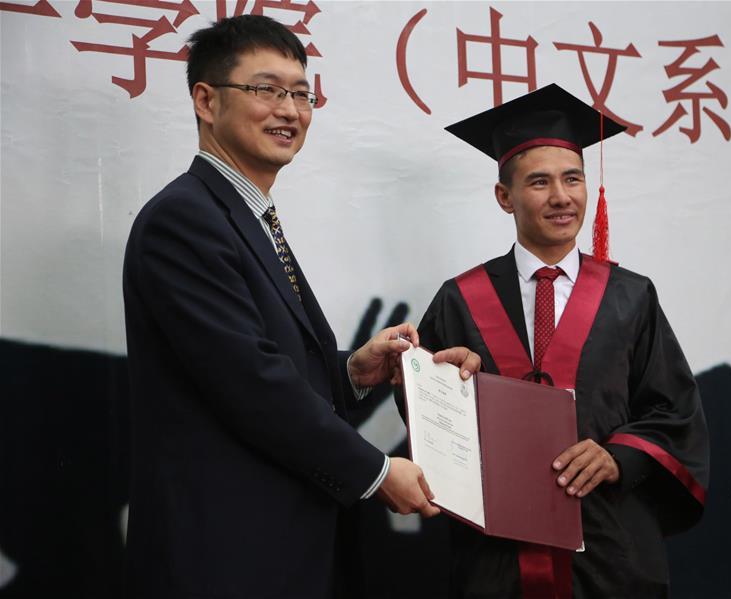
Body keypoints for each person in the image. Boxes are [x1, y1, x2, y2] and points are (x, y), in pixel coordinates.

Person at [121, 15, 479, 599]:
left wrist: (354, 371)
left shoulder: (246, 217)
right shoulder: (184, 220)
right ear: (206, 101)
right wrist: (377, 470)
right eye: (266, 89)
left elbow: (268, 360)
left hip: (277, 549)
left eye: (301, 94)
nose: (289, 110)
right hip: (222, 556)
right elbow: (250, 383)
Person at [410, 84, 710, 598]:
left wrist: (621, 456)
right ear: (505, 197)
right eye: (539, 182)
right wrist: (446, 385)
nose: (561, 197)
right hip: (497, 558)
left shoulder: (631, 297)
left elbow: (673, 409)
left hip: (611, 550)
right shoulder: (460, 299)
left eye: (573, 179)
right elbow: (422, 413)